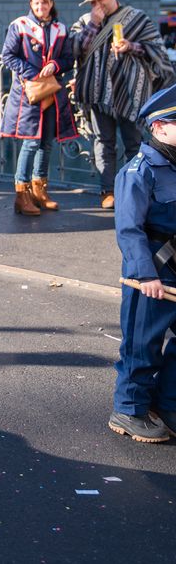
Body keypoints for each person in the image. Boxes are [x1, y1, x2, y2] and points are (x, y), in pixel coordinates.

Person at [108, 83, 176, 444]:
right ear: (159, 127)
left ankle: (168, 405)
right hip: (151, 269)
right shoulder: (138, 171)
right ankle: (129, 409)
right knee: (142, 342)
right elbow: (129, 228)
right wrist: (144, 273)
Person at [72, 0, 176, 210]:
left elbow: (156, 49)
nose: (97, 4)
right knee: (103, 143)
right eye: (92, 1)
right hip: (98, 94)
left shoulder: (136, 18)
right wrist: (93, 25)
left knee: (135, 144)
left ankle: (135, 190)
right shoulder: (85, 21)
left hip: (131, 94)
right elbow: (74, 49)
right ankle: (108, 191)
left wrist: (131, 46)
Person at [0, 0, 78, 215]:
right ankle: (21, 195)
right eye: (36, 3)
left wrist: (55, 64)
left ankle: (39, 191)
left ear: (51, 3)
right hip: (28, 94)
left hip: (52, 93)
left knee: (46, 142)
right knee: (31, 142)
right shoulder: (20, 26)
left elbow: (68, 59)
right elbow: (8, 57)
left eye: (44, 2)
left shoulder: (60, 29)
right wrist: (33, 73)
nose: (40, 7)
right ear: (31, 5)